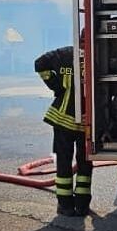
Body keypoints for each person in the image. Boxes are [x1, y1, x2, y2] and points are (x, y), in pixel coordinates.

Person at [34, 46, 92, 215]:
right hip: (88, 122)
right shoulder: (98, 54)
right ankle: (82, 205)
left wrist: (56, 86)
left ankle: (65, 205)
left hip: (62, 118)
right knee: (85, 162)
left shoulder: (64, 54)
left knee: (64, 161)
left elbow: (39, 63)